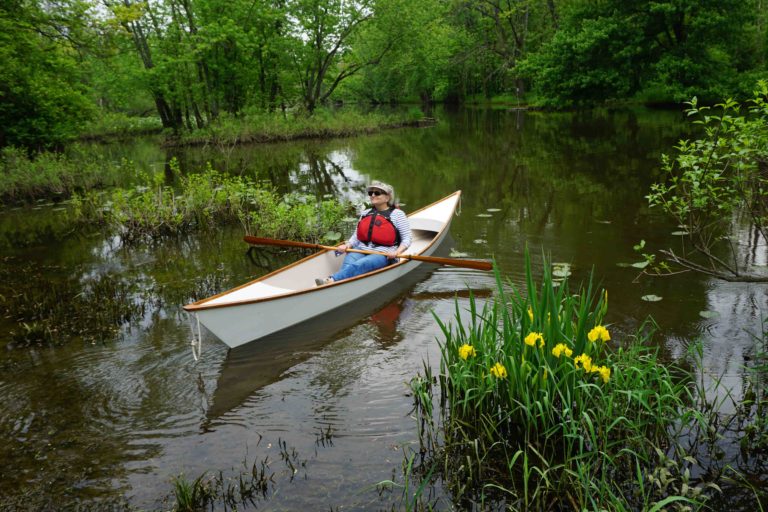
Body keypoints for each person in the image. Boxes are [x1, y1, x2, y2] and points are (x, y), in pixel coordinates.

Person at [315, 181, 412, 286]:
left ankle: (331, 280)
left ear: (387, 198)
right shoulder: (366, 213)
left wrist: (397, 252)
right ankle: (337, 284)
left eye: (377, 193)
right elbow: (356, 236)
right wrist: (348, 245)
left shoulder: (398, 214)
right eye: (371, 193)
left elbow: (407, 238)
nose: (373, 195)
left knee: (361, 264)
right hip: (361, 249)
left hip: (383, 254)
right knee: (348, 264)